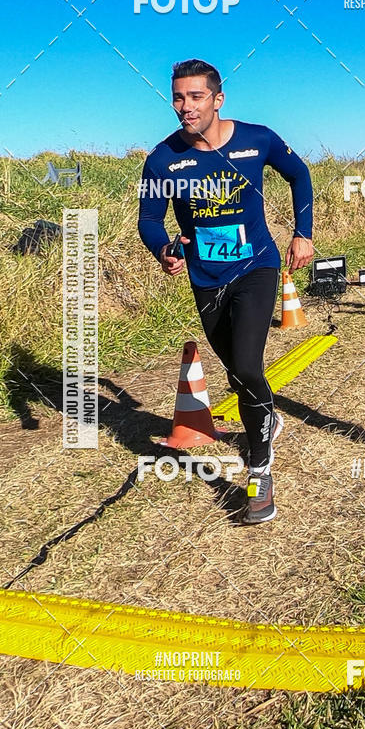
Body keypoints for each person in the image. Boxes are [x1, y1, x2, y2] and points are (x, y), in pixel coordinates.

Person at [138, 58, 314, 523]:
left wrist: (303, 233)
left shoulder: (257, 140)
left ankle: (259, 471)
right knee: (237, 371)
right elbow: (150, 220)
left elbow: (300, 175)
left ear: (218, 99)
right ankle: (266, 417)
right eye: (178, 97)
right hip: (205, 278)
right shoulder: (163, 159)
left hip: (257, 266)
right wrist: (164, 249)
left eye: (196, 96)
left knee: (248, 365)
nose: (186, 106)